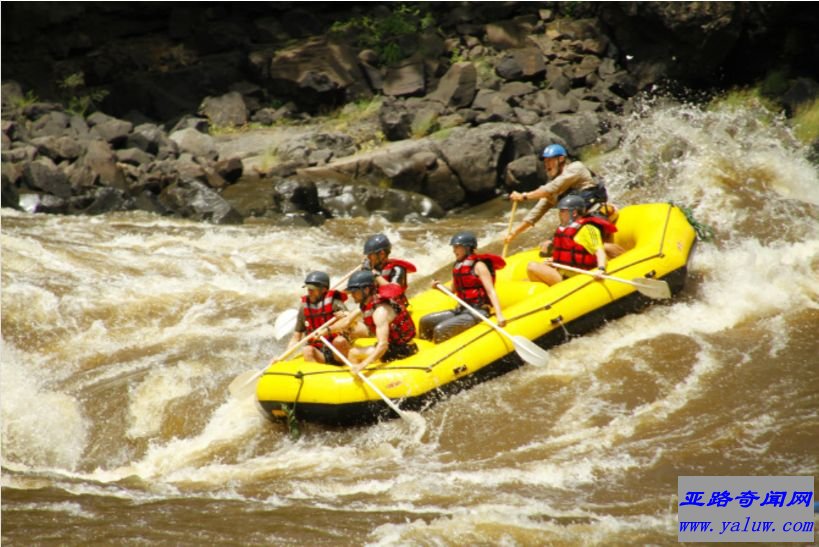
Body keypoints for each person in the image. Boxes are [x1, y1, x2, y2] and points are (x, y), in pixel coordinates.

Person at [505, 143, 611, 247]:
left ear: (561, 159)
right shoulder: (552, 188)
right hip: (575, 221)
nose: (547, 165)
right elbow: (536, 212)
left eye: (550, 160)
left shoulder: (576, 168)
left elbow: (551, 188)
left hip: (594, 213)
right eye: (545, 162)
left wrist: (523, 196)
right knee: (546, 247)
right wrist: (514, 233)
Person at [419, 231, 507, 344]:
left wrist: (499, 315)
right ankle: (424, 349)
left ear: (467, 248)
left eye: (457, 247)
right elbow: (452, 291)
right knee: (425, 321)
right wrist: (438, 287)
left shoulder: (479, 266)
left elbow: (491, 291)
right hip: (462, 309)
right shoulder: (458, 266)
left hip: (478, 311)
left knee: (440, 329)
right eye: (454, 247)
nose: (454, 250)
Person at [327, 270, 418, 373]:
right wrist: (326, 330)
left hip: (403, 350)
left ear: (366, 290)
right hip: (394, 346)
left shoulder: (380, 311)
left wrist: (363, 365)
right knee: (355, 351)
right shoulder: (368, 303)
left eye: (354, 291)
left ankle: (355, 383)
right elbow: (347, 321)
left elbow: (383, 345)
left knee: (353, 353)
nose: (352, 295)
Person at [526, 195, 618, 286]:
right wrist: (554, 260)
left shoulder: (587, 229)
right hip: (563, 273)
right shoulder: (563, 230)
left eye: (563, 211)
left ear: (574, 213)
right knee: (532, 268)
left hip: (579, 277)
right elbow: (568, 253)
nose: (559, 214)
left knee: (532, 266)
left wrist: (601, 269)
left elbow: (599, 251)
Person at [287, 271, 351, 364]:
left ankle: (343, 367)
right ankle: (315, 376)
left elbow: (349, 322)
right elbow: (296, 337)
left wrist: (345, 315)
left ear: (324, 289)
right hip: (319, 350)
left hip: (337, 350)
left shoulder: (334, 303)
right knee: (307, 350)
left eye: (313, 289)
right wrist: (285, 356)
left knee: (340, 341)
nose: (309, 291)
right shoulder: (304, 308)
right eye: (308, 288)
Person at [362, 233, 417, 308]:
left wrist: (374, 274)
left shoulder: (397, 269)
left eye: (370, 255)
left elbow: (393, 291)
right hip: (377, 306)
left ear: (382, 253)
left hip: (396, 308)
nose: (368, 258)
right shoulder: (372, 269)